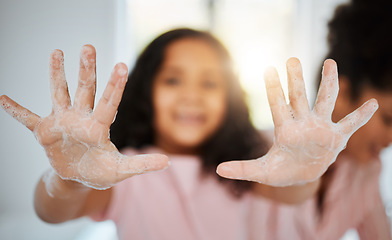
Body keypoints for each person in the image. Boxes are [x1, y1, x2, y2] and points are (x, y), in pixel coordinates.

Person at [0, 28, 378, 239]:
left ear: (229, 98)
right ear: (147, 88)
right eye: (173, 79)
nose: (192, 96)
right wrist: (67, 180)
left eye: (210, 83)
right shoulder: (121, 169)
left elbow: (293, 193)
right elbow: (50, 212)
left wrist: (305, 173)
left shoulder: (241, 166)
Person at [309, 0, 392, 239]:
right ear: (341, 93)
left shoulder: (366, 171)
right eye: (387, 119)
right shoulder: (257, 152)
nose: (391, 138)